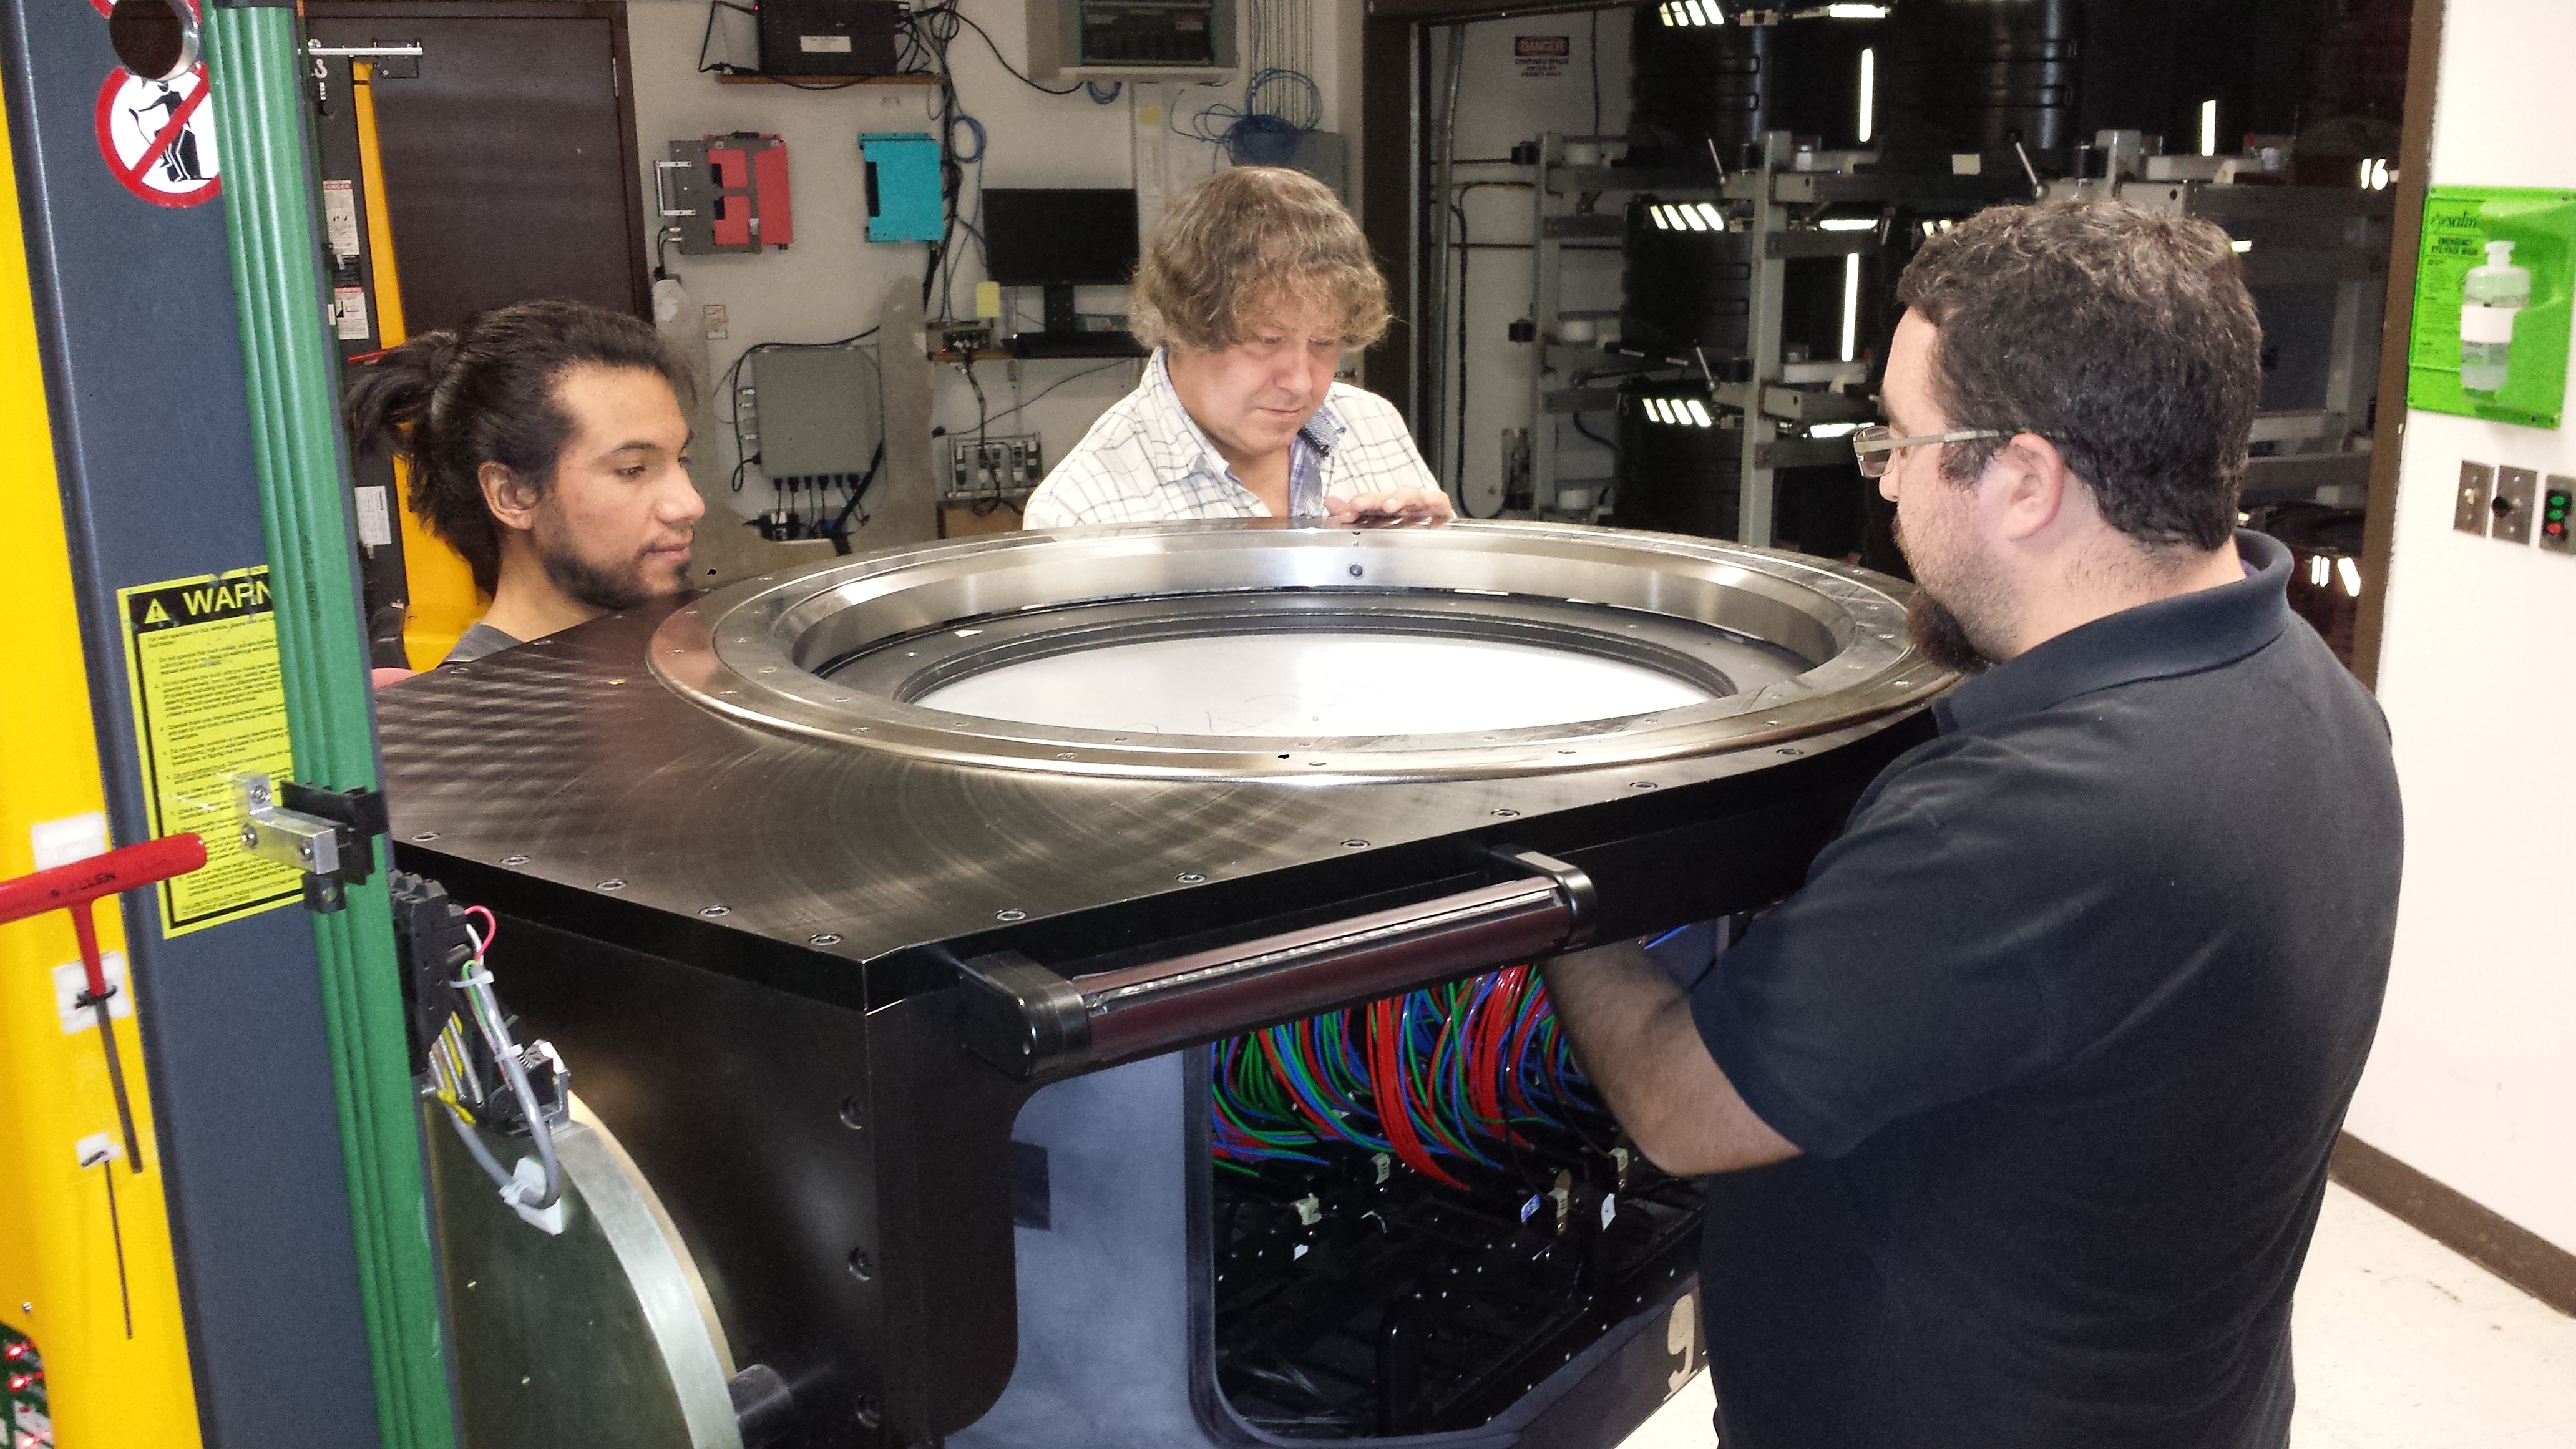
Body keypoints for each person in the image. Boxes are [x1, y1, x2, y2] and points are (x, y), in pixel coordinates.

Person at [1539, 202, 2402, 1449]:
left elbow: (1682, 1106)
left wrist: (1566, 892)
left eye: (1900, 439)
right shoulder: (2321, 700)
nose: (1883, 478)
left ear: (2029, 478)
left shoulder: (2035, 820)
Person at [1022, 167, 1453, 528]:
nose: (1301, 382)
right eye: (1268, 341)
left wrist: (1435, 564)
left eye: (1324, 342)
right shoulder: (1079, 511)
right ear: (1184, 324)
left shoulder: (1372, 423)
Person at [344, 299, 703, 665]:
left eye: (681, 460)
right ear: (512, 495)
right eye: (632, 469)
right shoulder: (483, 714)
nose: (690, 504)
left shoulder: (681, 661)